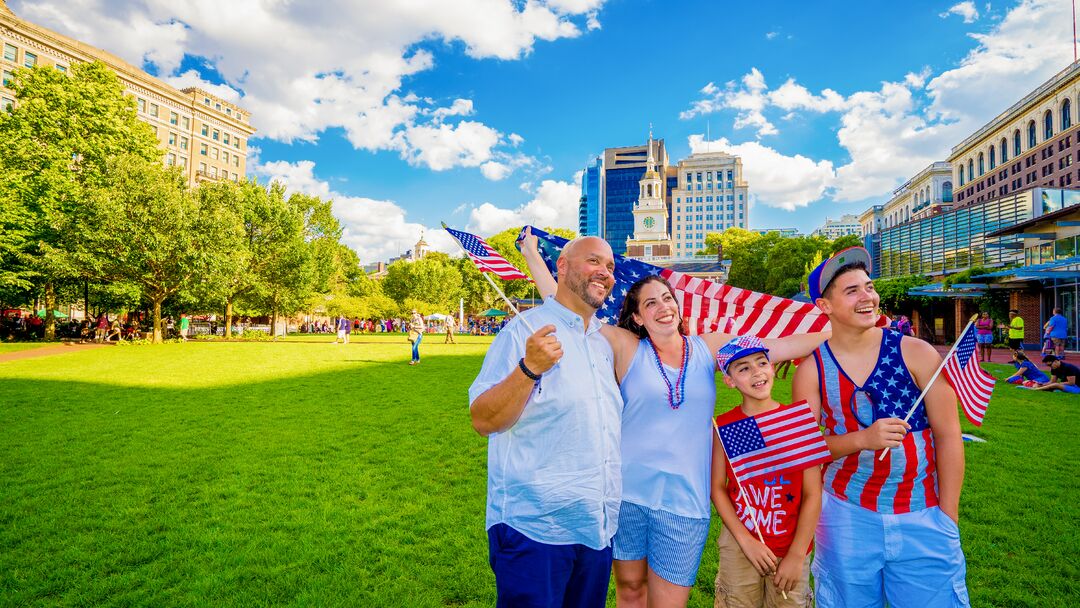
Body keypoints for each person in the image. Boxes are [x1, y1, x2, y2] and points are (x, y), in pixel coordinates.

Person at [520, 229, 827, 607]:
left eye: (667, 298)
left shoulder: (708, 346)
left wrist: (838, 328)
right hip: (627, 494)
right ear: (637, 315)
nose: (663, 306)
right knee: (631, 592)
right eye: (651, 303)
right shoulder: (623, 345)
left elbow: (777, 347)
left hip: (686, 502)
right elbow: (563, 302)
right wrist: (533, 255)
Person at [791, 247, 969, 607]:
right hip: (846, 515)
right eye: (851, 290)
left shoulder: (915, 352)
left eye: (868, 287)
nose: (867, 297)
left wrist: (947, 516)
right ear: (824, 307)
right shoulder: (812, 370)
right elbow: (805, 449)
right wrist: (862, 439)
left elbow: (949, 435)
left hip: (923, 511)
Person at [469, 236, 621, 607]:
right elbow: (483, 418)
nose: (605, 272)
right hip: (535, 528)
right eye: (594, 261)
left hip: (595, 527)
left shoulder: (603, 343)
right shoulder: (523, 331)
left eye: (611, 267)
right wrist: (529, 368)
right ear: (563, 267)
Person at [712, 336, 822, 608]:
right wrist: (746, 541)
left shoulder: (798, 423)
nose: (757, 372)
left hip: (791, 543)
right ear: (730, 380)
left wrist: (797, 554)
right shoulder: (727, 426)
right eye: (744, 368)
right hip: (741, 545)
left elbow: (813, 494)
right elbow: (718, 487)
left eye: (762, 363)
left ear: (772, 368)